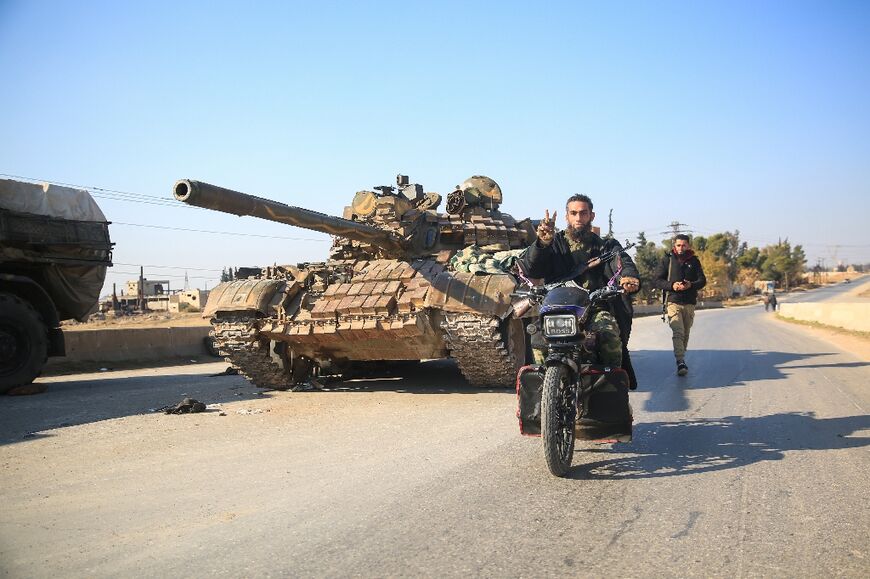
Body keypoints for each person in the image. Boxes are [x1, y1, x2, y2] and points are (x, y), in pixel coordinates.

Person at [518, 194, 641, 387]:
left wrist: (629, 277)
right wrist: (542, 243)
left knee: (609, 335)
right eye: (573, 213)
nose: (578, 218)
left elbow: (622, 261)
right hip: (558, 307)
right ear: (566, 216)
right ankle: (543, 392)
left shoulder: (605, 246)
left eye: (583, 213)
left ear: (591, 216)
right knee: (538, 340)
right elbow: (532, 268)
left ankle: (611, 390)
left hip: (594, 307)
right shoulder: (554, 243)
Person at [651, 234, 706, 376]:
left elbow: (702, 281)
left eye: (684, 245)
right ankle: (680, 361)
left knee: (686, 333)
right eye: (678, 245)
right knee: (678, 331)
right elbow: (656, 280)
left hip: (689, 303)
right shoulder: (667, 260)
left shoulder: (694, 261)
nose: (681, 248)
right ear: (674, 246)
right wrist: (671, 285)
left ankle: (682, 357)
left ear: (689, 246)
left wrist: (690, 285)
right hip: (673, 301)